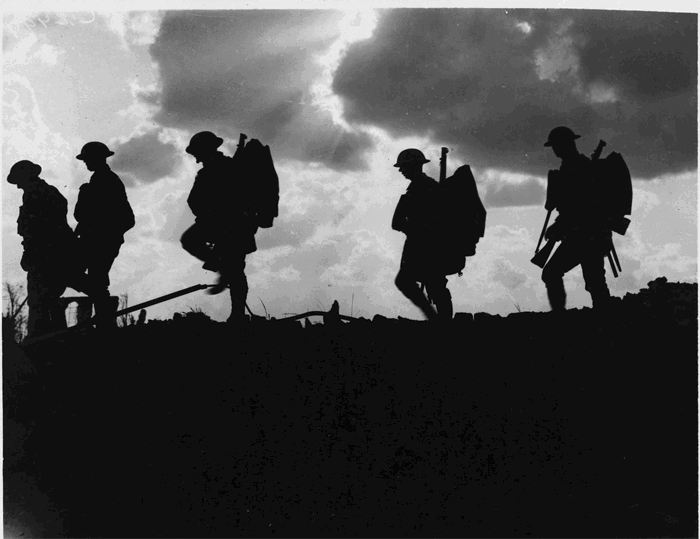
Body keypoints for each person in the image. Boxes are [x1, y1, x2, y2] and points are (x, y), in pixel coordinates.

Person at [180, 131, 258, 324]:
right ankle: (236, 309)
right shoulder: (220, 168)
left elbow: (244, 197)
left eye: (197, 151)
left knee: (235, 269)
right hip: (225, 224)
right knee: (235, 269)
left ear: (205, 150)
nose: (196, 157)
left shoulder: (223, 168)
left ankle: (237, 314)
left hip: (234, 226)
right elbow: (194, 201)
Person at [540, 126, 612, 311]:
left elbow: (580, 206)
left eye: (557, 145)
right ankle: (605, 322)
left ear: (566, 144)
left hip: (586, 235)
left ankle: (563, 319)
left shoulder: (577, 168)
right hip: (588, 235)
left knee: (553, 274)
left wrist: (559, 226)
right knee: (595, 282)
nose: (555, 149)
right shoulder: (575, 167)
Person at [7, 160, 82, 337]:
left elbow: (39, 230)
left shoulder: (35, 194)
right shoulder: (48, 191)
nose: (17, 186)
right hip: (54, 252)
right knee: (48, 298)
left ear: (26, 177)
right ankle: (53, 335)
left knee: (38, 299)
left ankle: (39, 338)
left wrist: (32, 253)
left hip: (45, 254)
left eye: (18, 180)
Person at [75, 141, 134, 328]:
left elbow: (126, 218)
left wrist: (107, 236)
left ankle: (105, 316)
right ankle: (104, 311)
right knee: (93, 279)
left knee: (90, 277)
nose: (86, 163)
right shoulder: (100, 180)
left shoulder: (107, 181)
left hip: (102, 241)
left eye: (88, 159)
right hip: (97, 240)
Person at [391, 148, 453, 321]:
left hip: (424, 244)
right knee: (434, 284)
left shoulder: (422, 187)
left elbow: (427, 219)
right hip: (426, 243)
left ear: (413, 166)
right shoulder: (424, 186)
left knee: (423, 283)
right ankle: (440, 321)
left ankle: (437, 320)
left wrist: (410, 226)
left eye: (403, 166)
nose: (401, 170)